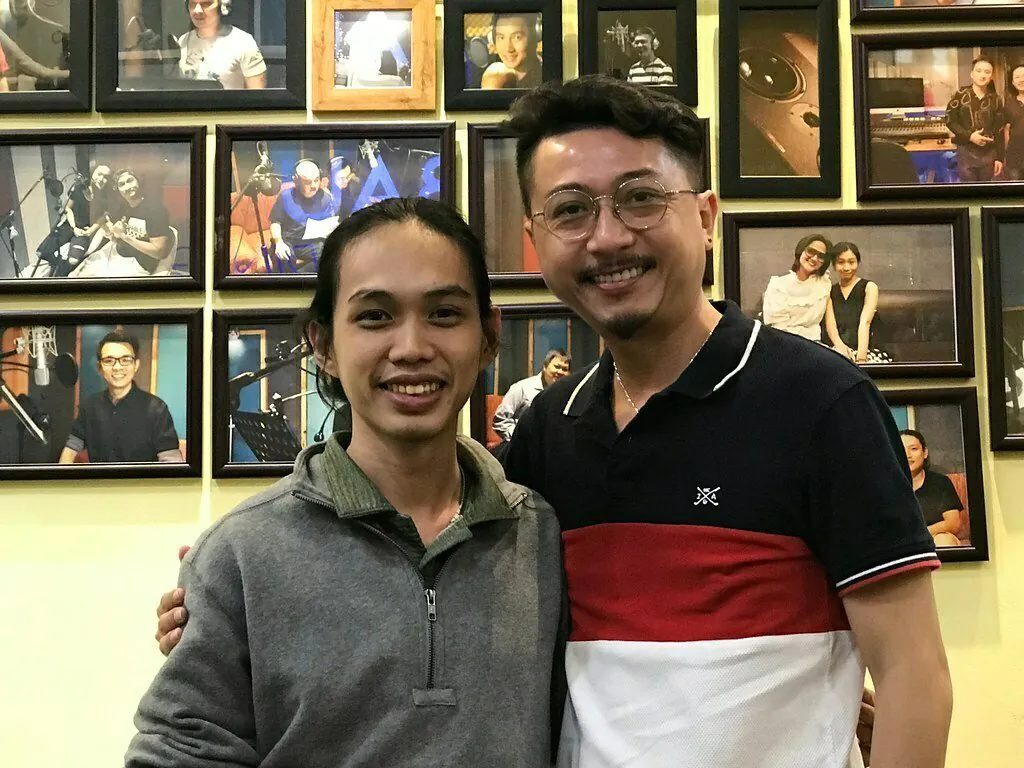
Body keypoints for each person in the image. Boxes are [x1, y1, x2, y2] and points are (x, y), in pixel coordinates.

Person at [157, 77, 951, 767]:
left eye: (641, 197)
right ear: (536, 241)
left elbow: (913, 674)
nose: (607, 236)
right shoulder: (547, 435)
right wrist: (237, 603)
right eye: (571, 210)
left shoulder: (819, 402)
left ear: (706, 215)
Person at [125, 197, 565, 766]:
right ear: (323, 345)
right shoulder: (239, 556)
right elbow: (181, 751)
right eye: (375, 316)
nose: (412, 348)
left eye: (444, 314)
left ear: (488, 335)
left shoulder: (540, 536)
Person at [58, 331, 182, 464]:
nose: (117, 367)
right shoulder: (89, 407)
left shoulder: (157, 409)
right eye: (109, 360)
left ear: (136, 365)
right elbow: (70, 449)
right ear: (99, 367)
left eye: (125, 360)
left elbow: (172, 461)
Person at [822, 241, 889, 365]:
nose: (846, 268)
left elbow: (865, 322)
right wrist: (840, 349)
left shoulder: (869, 287)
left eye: (851, 262)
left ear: (857, 262)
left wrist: (861, 359)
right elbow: (831, 325)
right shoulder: (829, 290)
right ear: (834, 264)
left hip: (866, 349)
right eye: (841, 262)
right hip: (837, 350)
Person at [176, 0, 266, 90]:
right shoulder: (183, 40)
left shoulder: (243, 42)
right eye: (193, 4)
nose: (197, 10)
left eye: (206, 4)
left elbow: (258, 93)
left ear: (223, 5)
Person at [761, 234, 833, 342]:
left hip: (814, 345)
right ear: (801, 250)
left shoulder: (823, 284)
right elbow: (777, 328)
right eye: (811, 251)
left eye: (820, 256)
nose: (814, 258)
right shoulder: (778, 285)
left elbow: (830, 323)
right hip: (783, 343)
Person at [945, 55, 1006, 182]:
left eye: (987, 72)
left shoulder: (996, 100)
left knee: (985, 190)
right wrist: (970, 136)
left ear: (991, 76)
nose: (982, 75)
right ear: (972, 74)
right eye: (979, 71)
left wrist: (999, 158)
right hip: (965, 153)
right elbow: (950, 120)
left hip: (989, 155)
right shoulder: (960, 95)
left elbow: (999, 130)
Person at [268, 159, 337, 271]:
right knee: (284, 257)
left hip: (310, 242)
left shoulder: (325, 198)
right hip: (287, 240)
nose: (314, 186)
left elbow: (331, 222)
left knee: (330, 253)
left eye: (316, 180)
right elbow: (275, 222)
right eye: (308, 182)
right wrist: (278, 242)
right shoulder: (286, 197)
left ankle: (300, 277)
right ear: (296, 181)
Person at [900, 429, 963, 548]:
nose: (907, 455)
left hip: (934, 539)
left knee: (944, 540)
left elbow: (953, 523)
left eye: (913, 449)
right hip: (901, 545)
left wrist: (920, 534)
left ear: (925, 453)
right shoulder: (888, 485)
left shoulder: (941, 482)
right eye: (901, 450)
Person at [492, 348, 570, 443]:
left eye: (565, 369)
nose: (560, 372)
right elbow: (500, 420)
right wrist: (520, 439)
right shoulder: (522, 388)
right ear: (545, 367)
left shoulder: (567, 394)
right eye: (557, 367)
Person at [480, 13, 542, 90]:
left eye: (517, 37)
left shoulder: (544, 82)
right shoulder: (497, 79)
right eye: (501, 37)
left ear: (535, 35)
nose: (508, 49)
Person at [1001, 63, 1024, 180]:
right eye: (1017, 77)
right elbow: (1006, 130)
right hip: (1015, 158)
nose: (1022, 80)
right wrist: (1005, 154)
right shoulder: (1009, 104)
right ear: (1013, 83)